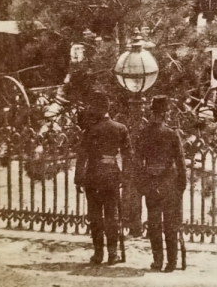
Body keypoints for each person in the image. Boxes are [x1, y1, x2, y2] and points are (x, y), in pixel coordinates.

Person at [73, 92, 131, 265]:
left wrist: (78, 178)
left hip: (92, 176)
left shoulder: (89, 130)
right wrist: (125, 177)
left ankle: (98, 254)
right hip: (111, 176)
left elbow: (82, 156)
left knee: (95, 216)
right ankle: (113, 254)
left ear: (98, 108)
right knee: (112, 215)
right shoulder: (120, 128)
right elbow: (128, 156)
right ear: (108, 108)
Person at [134, 96, 186, 272]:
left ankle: (157, 261)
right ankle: (171, 262)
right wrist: (181, 185)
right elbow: (180, 162)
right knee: (170, 224)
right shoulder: (172, 134)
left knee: (154, 223)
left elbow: (137, 162)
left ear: (152, 113)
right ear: (164, 114)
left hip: (151, 183)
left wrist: (142, 183)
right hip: (169, 184)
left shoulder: (143, 134)